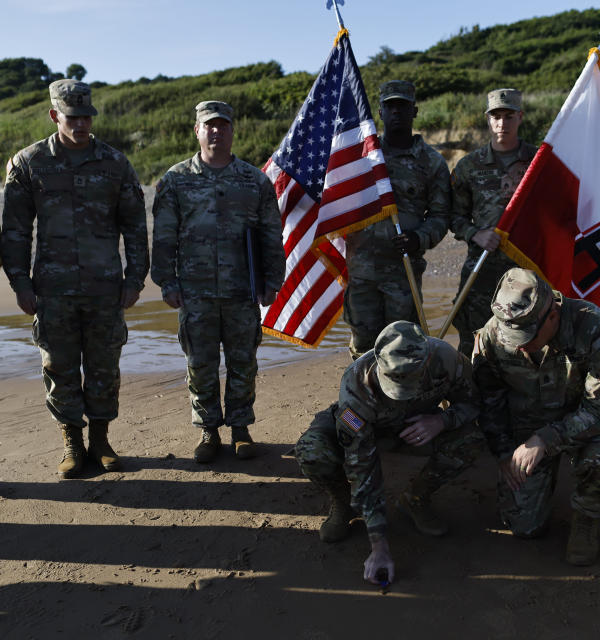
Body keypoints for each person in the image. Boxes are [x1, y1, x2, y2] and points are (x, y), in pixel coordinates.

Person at [0, 79, 148, 478]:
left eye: (86, 117)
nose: (81, 124)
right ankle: (72, 442)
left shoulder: (115, 164)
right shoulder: (29, 163)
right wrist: (21, 284)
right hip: (52, 290)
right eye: (72, 117)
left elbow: (135, 227)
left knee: (104, 367)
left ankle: (100, 441)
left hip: (106, 289)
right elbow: (15, 230)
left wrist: (135, 280)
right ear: (55, 116)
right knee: (60, 368)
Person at [295, 321, 483, 585]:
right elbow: (362, 464)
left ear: (427, 360)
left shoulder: (447, 358)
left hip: (416, 427)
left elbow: (474, 402)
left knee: (471, 440)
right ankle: (343, 503)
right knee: (311, 452)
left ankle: (415, 499)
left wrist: (442, 422)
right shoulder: (355, 383)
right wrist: (379, 547)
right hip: (368, 430)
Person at [151, 101, 285, 463]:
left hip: (243, 290)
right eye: (209, 125)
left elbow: (272, 232)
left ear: (232, 131)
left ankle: (240, 428)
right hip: (195, 292)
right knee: (200, 362)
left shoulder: (254, 180)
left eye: (223, 125)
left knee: (244, 361)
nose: (216, 131)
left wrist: (273, 279)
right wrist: (167, 281)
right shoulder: (176, 179)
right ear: (197, 130)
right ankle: (209, 430)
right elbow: (164, 236)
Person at [472, 268, 600, 566]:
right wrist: (504, 452)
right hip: (526, 425)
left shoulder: (592, 326)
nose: (519, 345)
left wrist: (546, 439)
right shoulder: (495, 333)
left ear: (552, 315)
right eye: (513, 336)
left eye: (526, 337)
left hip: (581, 423)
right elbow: (490, 401)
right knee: (525, 528)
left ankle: (586, 518)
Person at [343, 80, 450, 359]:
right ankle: (364, 401)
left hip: (403, 274)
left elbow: (440, 217)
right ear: (380, 112)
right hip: (361, 272)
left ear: (414, 111)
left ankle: (404, 402)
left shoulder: (431, 162)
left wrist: (418, 238)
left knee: (403, 348)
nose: (396, 112)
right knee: (363, 350)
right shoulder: (360, 157)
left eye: (403, 106)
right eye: (390, 106)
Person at [449, 88, 537, 355]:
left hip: (527, 269)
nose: (502, 123)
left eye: (508, 116)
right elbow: (453, 215)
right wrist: (475, 233)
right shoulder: (469, 166)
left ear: (520, 117)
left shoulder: (538, 162)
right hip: (481, 268)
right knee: (472, 340)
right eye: (496, 116)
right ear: (488, 120)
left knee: (524, 340)